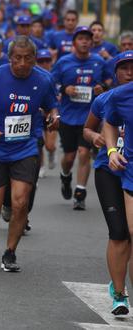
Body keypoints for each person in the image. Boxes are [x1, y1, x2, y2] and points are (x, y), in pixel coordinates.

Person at [0, 36, 59, 272]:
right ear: (10, 59)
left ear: (35, 59)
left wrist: (53, 117)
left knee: (20, 202)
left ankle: (10, 252)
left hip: (25, 147)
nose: (22, 63)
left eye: (28, 58)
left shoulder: (44, 80)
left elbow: (51, 107)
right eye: (17, 58)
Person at [86, 51, 133, 315]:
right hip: (109, 170)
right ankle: (118, 292)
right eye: (123, 68)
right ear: (115, 73)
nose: (129, 72)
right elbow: (93, 127)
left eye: (132, 67)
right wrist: (103, 143)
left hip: (132, 169)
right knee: (119, 233)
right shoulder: (108, 98)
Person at [52, 26, 111, 210]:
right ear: (74, 42)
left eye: (88, 39)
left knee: (84, 153)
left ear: (91, 42)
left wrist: (102, 86)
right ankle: (65, 174)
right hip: (68, 116)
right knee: (69, 157)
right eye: (81, 38)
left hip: (89, 117)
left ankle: (80, 193)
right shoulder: (63, 62)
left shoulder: (98, 61)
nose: (85, 41)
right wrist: (64, 89)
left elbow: (109, 80)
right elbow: (52, 83)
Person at [36, 49, 57, 171]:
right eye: (41, 61)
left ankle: (52, 152)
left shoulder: (53, 77)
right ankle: (41, 166)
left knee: (49, 145)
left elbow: (57, 99)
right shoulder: (33, 76)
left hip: (50, 114)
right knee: (39, 142)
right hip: (37, 116)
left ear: (51, 61)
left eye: (47, 61)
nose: (44, 64)